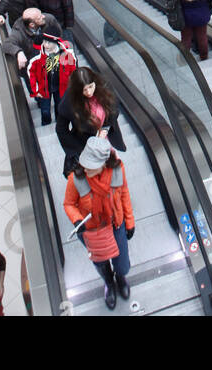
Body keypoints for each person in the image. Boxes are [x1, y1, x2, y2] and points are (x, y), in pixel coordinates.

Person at [63, 135, 135, 310]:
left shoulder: (117, 171)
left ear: (104, 164)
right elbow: (69, 204)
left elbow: (124, 193)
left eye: (91, 166)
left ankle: (120, 277)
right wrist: (78, 220)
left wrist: (129, 220)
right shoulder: (76, 178)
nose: (86, 169)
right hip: (91, 230)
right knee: (100, 262)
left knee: (122, 262)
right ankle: (109, 282)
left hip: (115, 224)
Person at [57, 67, 126, 177]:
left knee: (112, 171)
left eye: (90, 87)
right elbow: (61, 129)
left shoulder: (104, 86)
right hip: (85, 142)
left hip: (106, 139)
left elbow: (114, 108)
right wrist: (78, 150)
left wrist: (105, 128)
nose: (89, 92)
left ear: (95, 83)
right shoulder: (69, 102)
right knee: (93, 174)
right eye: (84, 90)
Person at [27, 32, 77, 126]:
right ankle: (46, 123)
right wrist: (36, 88)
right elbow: (31, 72)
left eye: (48, 43)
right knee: (45, 110)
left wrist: (72, 84)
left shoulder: (66, 53)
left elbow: (73, 68)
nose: (46, 45)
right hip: (44, 87)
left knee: (60, 106)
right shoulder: (38, 55)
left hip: (60, 86)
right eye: (44, 42)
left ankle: (60, 123)